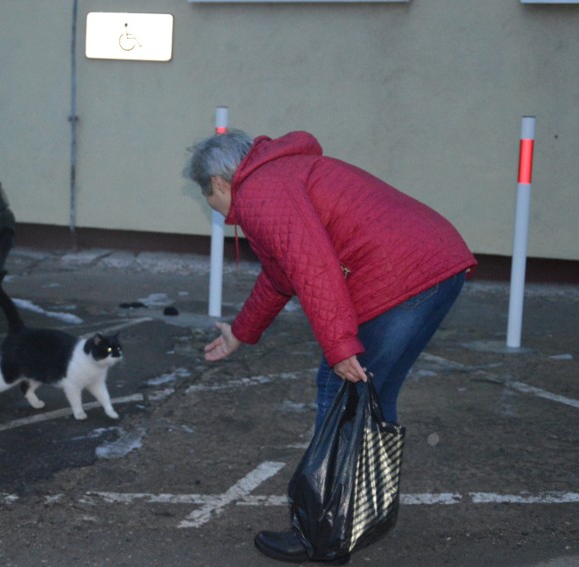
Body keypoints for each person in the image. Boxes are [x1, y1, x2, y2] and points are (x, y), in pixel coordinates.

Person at [183, 130, 476, 563]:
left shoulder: (264, 192)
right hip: (435, 266)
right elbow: (282, 276)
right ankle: (363, 514)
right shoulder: (276, 177)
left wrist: (339, 347)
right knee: (372, 395)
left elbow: (314, 268)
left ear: (220, 183)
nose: (211, 204)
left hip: (403, 278)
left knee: (339, 390)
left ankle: (323, 535)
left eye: (205, 193)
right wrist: (241, 331)